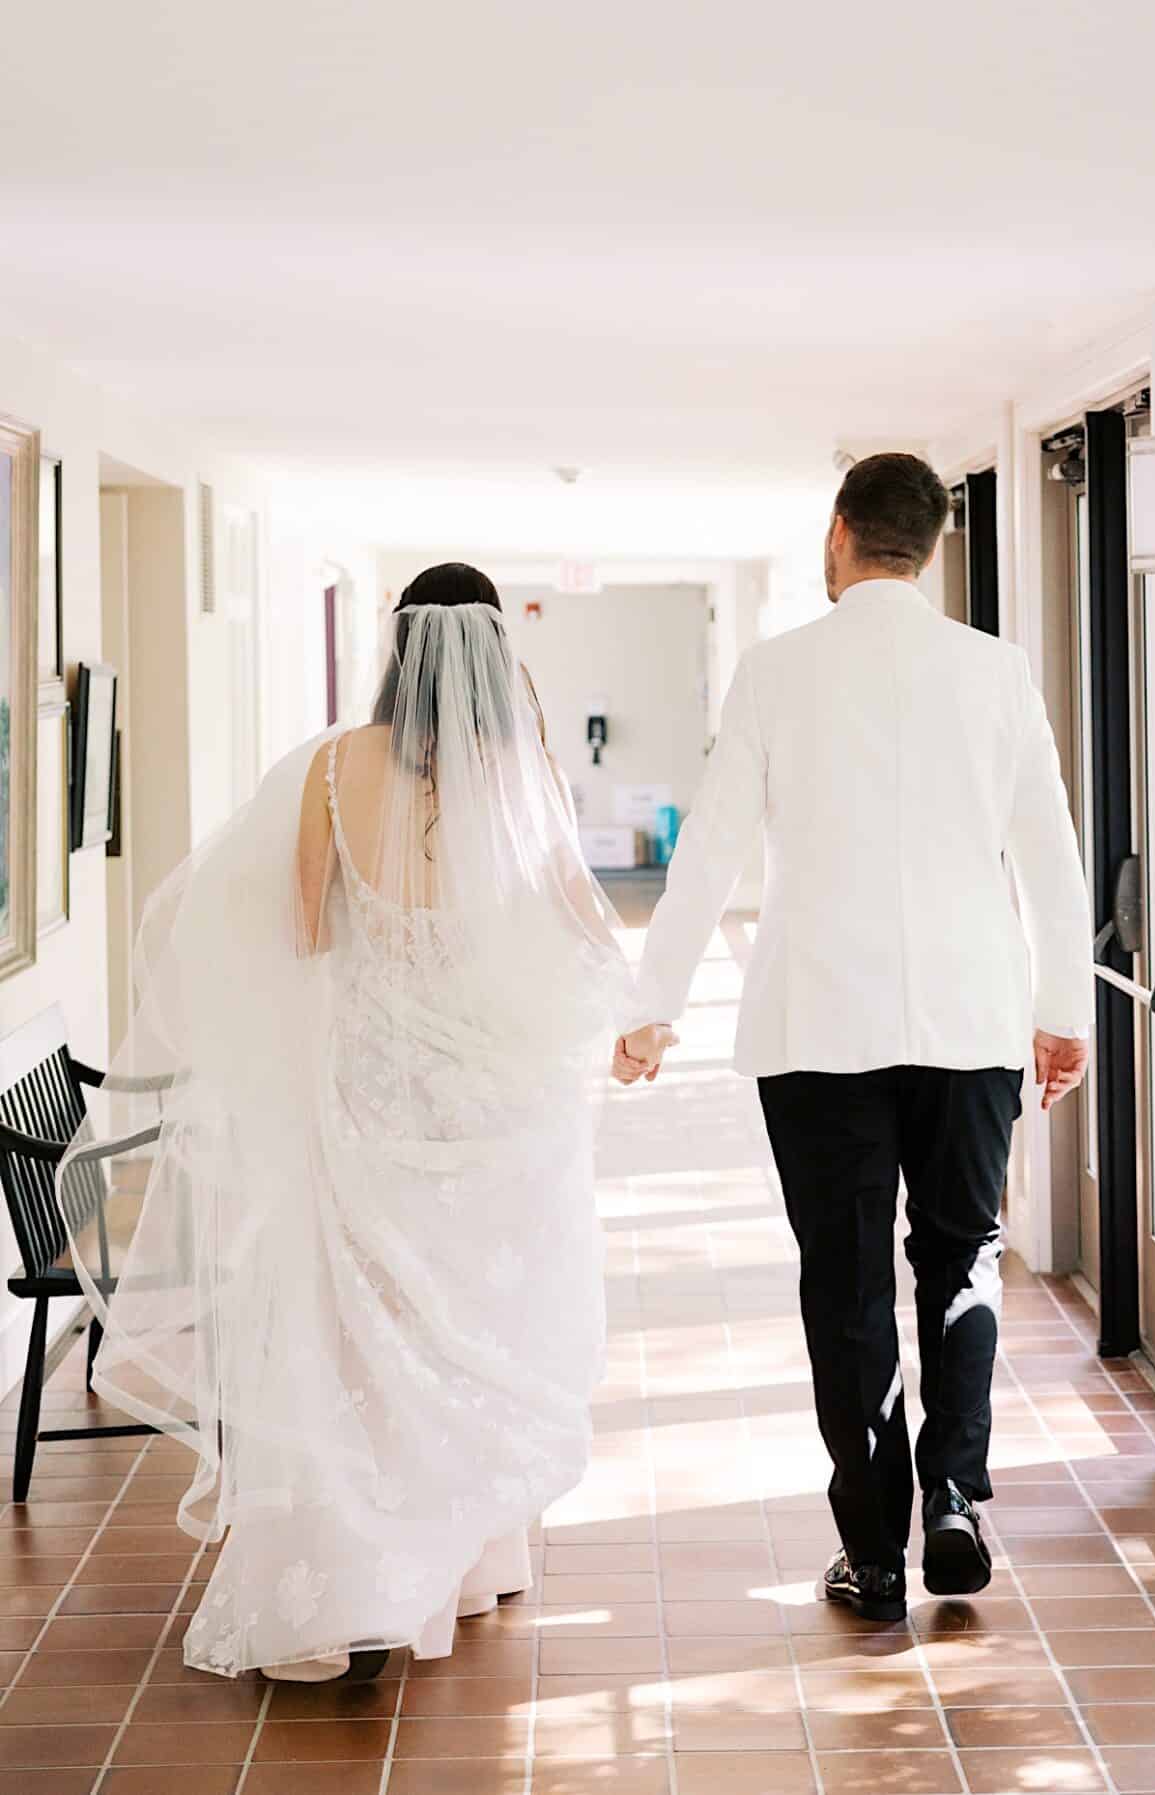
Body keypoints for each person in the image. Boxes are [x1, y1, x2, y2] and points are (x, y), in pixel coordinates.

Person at [66, 563, 632, 1681]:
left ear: (397, 647)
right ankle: (467, 1559)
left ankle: (363, 1574)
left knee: (363, 1333)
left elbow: (307, 930)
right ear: (487, 656)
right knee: (474, 1318)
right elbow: (578, 915)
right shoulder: (521, 773)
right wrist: (621, 1017)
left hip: (369, 1095)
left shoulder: (331, 768)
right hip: (491, 1107)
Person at [616, 452, 1091, 1622]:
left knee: (845, 1280)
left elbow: (712, 846)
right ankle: (957, 1504)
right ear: (926, 546)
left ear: (839, 536)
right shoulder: (994, 671)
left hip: (819, 1021)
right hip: (969, 1018)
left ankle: (873, 1549)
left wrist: (653, 1001)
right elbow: (1049, 850)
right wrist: (1062, 1014)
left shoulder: (776, 673)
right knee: (961, 1257)